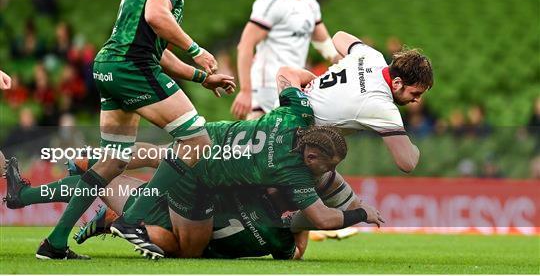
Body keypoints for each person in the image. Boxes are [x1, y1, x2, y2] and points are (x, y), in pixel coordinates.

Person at [35, 0, 234, 260]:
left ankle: (54, 243)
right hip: (131, 68)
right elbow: (156, 16)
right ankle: (133, 219)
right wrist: (196, 49)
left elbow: (159, 48)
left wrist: (201, 77)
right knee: (197, 141)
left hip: (108, 67)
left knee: (113, 161)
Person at [110, 73, 383, 259]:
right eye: (328, 166)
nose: (328, 172)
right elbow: (321, 219)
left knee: (156, 154)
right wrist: (361, 214)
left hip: (212, 135)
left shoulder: (296, 115)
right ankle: (120, 218)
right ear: (311, 158)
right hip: (202, 174)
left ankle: (99, 162)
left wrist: (317, 85)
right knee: (188, 251)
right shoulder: (291, 173)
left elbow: (286, 74)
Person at [3, 154, 375, 260]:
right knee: (116, 177)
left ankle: (115, 215)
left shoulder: (282, 228)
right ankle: (117, 213)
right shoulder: (272, 218)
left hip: (181, 216)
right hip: (182, 212)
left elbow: (304, 228)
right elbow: (303, 234)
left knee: (117, 177)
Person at [281, 31, 433, 173]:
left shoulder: (372, 55)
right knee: (344, 198)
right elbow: (407, 163)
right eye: (415, 93)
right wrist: (415, 150)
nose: (417, 100)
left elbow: (338, 36)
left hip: (283, 116)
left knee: (347, 197)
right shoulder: (383, 107)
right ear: (397, 83)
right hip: (290, 149)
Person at [231, 0, 339, 120]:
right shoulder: (271, 2)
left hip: (293, 85)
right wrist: (245, 91)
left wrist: (345, 63)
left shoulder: (310, 2)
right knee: (259, 140)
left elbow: (323, 43)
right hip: (266, 86)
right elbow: (245, 45)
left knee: (286, 142)